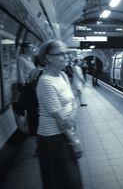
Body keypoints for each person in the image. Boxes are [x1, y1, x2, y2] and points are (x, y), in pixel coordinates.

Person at [36, 40, 83, 189]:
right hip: (53, 139)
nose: (66, 57)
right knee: (61, 180)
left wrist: (71, 116)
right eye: (61, 54)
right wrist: (74, 142)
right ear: (48, 58)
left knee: (71, 178)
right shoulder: (46, 82)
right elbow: (60, 119)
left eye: (67, 53)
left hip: (65, 133)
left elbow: (72, 102)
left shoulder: (62, 75)